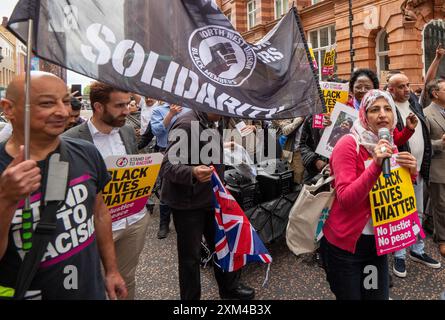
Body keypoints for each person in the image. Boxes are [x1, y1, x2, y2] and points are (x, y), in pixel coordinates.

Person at [0, 72, 126, 300]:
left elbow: (100, 213)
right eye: (47, 103)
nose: (62, 111)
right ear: (8, 109)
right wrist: (6, 199)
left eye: (66, 101)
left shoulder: (86, 152)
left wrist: (112, 270)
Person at [320, 89, 418, 300]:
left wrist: (411, 171)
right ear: (364, 115)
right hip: (346, 249)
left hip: (377, 246)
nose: (382, 114)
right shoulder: (348, 144)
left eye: (387, 109)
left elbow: (393, 190)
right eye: (374, 109)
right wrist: (375, 165)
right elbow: (346, 199)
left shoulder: (389, 143)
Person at [64, 82, 149, 299]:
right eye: (119, 105)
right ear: (99, 107)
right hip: (96, 226)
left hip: (133, 221)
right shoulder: (70, 139)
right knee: (96, 283)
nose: (127, 110)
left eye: (128, 104)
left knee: (127, 278)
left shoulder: (128, 130)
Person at [160, 109, 255, 300]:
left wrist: (223, 146)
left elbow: (202, 149)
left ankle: (230, 290)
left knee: (222, 246)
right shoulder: (186, 124)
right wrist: (192, 172)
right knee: (190, 258)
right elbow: (167, 167)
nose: (223, 111)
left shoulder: (211, 120)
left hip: (211, 198)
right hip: (188, 205)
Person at [387, 73, 441, 278]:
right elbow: (395, 138)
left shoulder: (413, 103)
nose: (407, 89)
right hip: (401, 171)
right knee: (401, 214)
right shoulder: (387, 108)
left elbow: (427, 82)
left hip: (418, 169)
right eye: (401, 86)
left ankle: (418, 250)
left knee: (418, 213)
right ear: (390, 89)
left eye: (408, 85)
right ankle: (399, 255)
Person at [151, 102, 189, 239]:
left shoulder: (190, 108)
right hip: (166, 151)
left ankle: (185, 223)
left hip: (187, 152)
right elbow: (156, 131)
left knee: (186, 186)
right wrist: (170, 114)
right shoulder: (158, 110)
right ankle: (164, 224)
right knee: (165, 188)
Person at [424, 79, 445, 258]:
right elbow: (422, 145)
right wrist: (441, 143)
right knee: (441, 206)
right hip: (438, 168)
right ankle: (442, 239)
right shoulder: (426, 114)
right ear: (435, 94)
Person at [272, 117, 305, 183]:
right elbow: (285, 130)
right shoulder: (293, 114)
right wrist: (299, 120)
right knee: (285, 174)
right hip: (288, 148)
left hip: (301, 152)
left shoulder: (313, 117)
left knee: (298, 177)